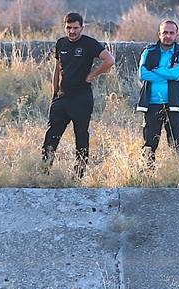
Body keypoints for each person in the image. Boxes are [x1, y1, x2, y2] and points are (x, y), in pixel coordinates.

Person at [41, 13, 115, 179]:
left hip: (81, 98)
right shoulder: (61, 43)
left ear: (82, 27)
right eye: (69, 28)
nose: (72, 31)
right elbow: (57, 68)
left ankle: (79, 175)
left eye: (75, 28)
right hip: (61, 98)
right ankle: (44, 172)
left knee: (81, 135)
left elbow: (109, 60)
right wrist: (54, 93)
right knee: (51, 135)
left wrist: (92, 75)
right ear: (64, 27)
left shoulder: (89, 44)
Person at [137, 20, 179, 166]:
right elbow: (142, 74)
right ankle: (146, 175)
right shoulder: (148, 52)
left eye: (171, 33)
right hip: (152, 104)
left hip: (175, 104)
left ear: (176, 35)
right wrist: (168, 73)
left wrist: (157, 71)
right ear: (159, 34)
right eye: (165, 32)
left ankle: (178, 174)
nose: (168, 36)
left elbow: (177, 75)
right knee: (149, 143)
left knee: (176, 143)